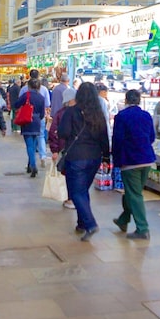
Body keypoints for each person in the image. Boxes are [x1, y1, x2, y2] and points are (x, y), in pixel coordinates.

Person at [58, 82, 110, 241]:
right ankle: (81, 223)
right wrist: (106, 157)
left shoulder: (71, 112)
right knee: (82, 190)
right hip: (94, 157)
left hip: (76, 157)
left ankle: (90, 223)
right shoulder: (98, 114)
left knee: (76, 192)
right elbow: (104, 137)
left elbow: (63, 132)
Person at [110, 90, 156, 240]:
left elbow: (118, 140)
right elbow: (152, 137)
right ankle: (123, 220)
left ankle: (143, 229)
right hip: (147, 159)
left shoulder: (121, 117)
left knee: (134, 194)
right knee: (132, 192)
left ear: (126, 100)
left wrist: (115, 160)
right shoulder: (146, 115)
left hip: (130, 161)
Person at [48, 86, 77, 209]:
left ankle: (70, 198)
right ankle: (73, 198)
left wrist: (54, 150)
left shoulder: (60, 114)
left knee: (68, 175)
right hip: (76, 150)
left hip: (65, 150)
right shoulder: (81, 112)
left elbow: (53, 132)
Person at [14, 78, 47, 177]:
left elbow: (16, 104)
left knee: (29, 145)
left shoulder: (26, 95)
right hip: (37, 122)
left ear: (29, 86)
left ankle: (33, 165)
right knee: (34, 144)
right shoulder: (41, 97)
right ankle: (30, 165)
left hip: (27, 121)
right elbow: (42, 113)